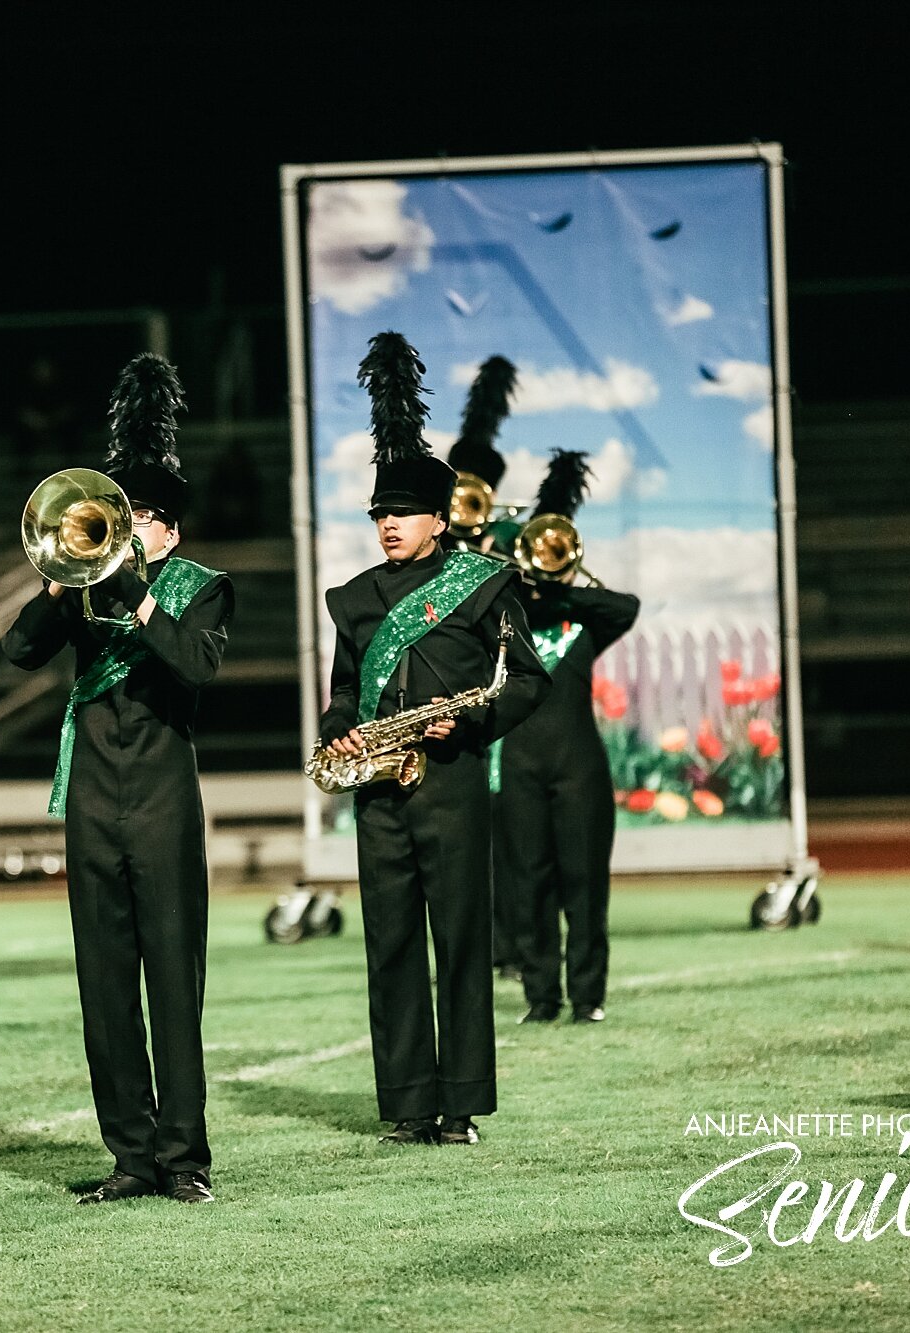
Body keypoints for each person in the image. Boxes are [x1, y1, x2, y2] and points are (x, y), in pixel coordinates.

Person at [2, 352, 232, 1204]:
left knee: (173, 984)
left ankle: (185, 1154)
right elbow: (17, 650)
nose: (122, 528)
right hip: (93, 806)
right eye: (115, 517)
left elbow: (194, 669)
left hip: (166, 804)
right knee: (103, 988)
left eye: (136, 518)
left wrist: (137, 594)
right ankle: (132, 1154)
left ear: (166, 527)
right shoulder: (84, 593)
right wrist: (66, 586)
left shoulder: (202, 591)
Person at [319, 332, 549, 1147]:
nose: (386, 525)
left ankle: (460, 1107)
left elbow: (527, 680)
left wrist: (474, 718)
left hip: (451, 786)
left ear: (437, 518)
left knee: (458, 948)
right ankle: (408, 1105)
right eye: (379, 513)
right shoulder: (351, 599)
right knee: (388, 949)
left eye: (401, 513)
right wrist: (338, 731)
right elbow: (345, 689)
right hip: (379, 791)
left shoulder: (482, 584)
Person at [492, 451, 639, 1025]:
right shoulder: (512, 621)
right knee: (529, 884)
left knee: (584, 884)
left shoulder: (582, 621)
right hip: (523, 764)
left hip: (580, 767)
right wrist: (523, 585)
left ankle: (588, 996)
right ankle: (541, 997)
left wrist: (560, 587)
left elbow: (625, 607)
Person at [443, 356, 523, 979]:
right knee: (467, 847)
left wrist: (501, 555)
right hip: (453, 702)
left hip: (503, 714)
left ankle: (519, 947)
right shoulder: (441, 545)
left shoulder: (511, 538)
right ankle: (482, 948)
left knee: (516, 845)